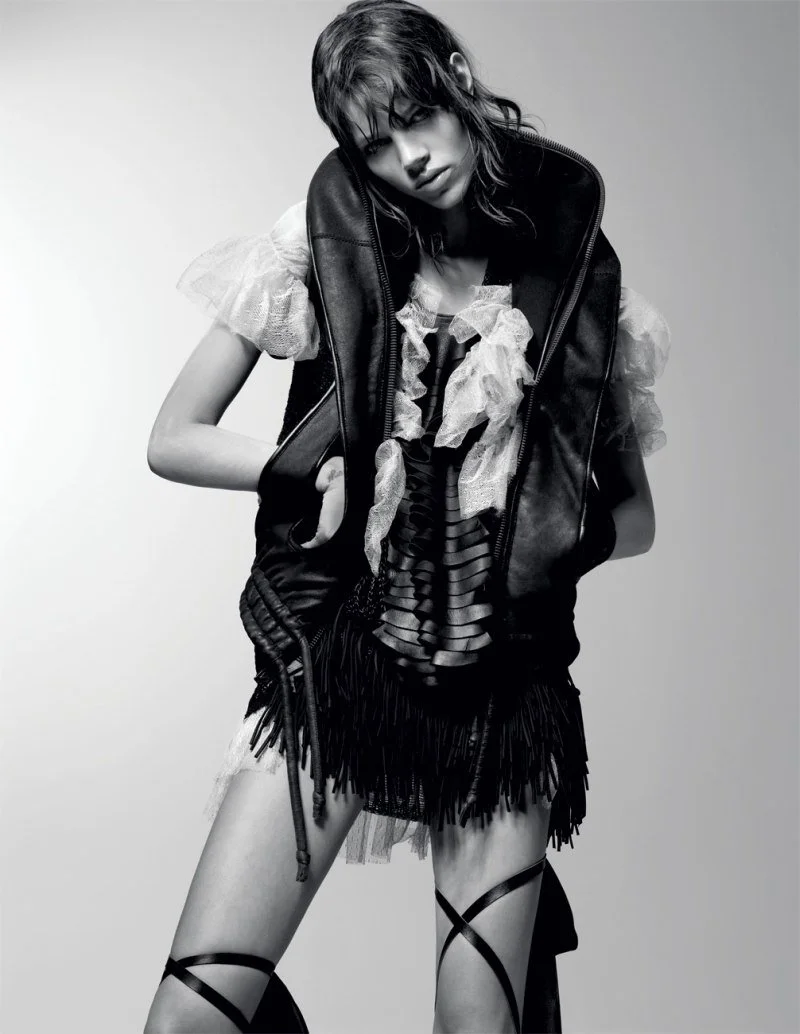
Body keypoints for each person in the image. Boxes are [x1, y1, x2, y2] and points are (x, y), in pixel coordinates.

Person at [143, 2, 670, 1032]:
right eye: (373, 143)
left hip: (505, 696)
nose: (408, 158)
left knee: (476, 1026)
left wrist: (531, 532)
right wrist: (310, 475)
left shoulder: (573, 277)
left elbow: (635, 517)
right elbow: (174, 436)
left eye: (416, 117)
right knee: (192, 1017)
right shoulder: (323, 243)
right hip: (339, 668)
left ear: (456, 81)